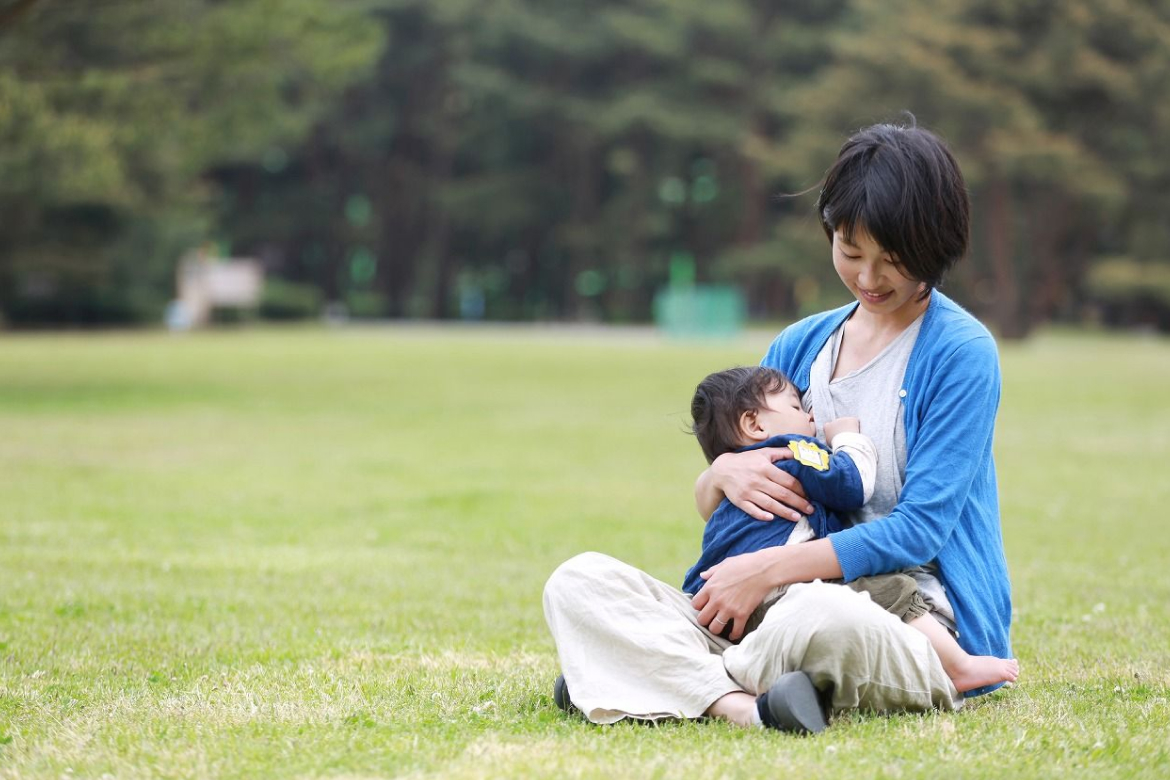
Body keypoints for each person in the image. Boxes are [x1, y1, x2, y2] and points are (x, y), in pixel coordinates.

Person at [543, 121, 1014, 733]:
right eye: (850, 252)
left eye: (893, 262)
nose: (869, 280)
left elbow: (918, 531)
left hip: (903, 617)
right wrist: (719, 475)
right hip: (767, 609)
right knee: (578, 582)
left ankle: (648, 674)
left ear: (935, 247)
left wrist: (768, 572)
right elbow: (729, 496)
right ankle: (743, 706)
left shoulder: (960, 353)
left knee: (820, 616)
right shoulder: (800, 345)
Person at [682, 364, 1018, 694]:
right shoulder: (794, 451)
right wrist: (847, 437)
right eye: (797, 406)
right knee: (893, 588)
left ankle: (729, 684)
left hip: (716, 604)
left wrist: (718, 472)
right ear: (754, 423)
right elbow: (852, 482)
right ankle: (959, 666)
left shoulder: (743, 476)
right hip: (782, 599)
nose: (810, 417)